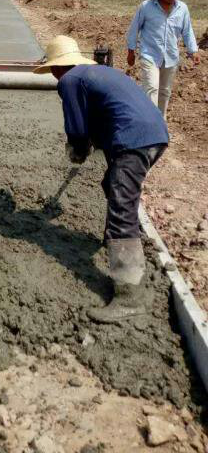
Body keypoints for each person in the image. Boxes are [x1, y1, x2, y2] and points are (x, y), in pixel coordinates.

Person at [35, 36, 168, 324]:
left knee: (121, 208)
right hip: (154, 133)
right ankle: (120, 243)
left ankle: (130, 297)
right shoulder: (99, 72)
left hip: (133, 140)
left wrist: (78, 149)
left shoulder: (68, 81)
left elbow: (78, 127)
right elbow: (107, 111)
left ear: (57, 68)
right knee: (113, 185)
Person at [126, 0, 199, 118]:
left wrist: (193, 51)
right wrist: (131, 51)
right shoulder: (146, 7)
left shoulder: (182, 9)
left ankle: (161, 123)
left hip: (171, 56)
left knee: (165, 90)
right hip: (150, 54)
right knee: (152, 88)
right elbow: (134, 29)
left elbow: (187, 30)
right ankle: (151, 125)